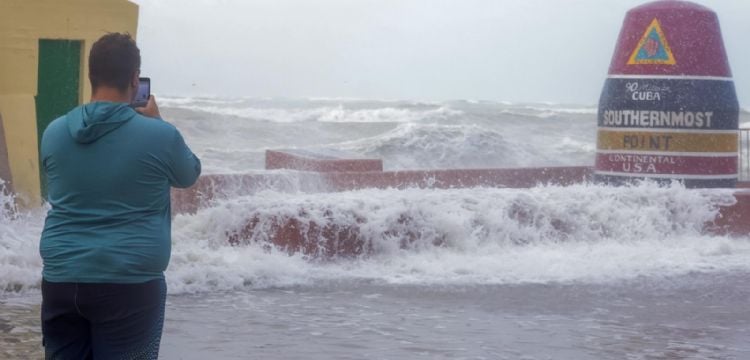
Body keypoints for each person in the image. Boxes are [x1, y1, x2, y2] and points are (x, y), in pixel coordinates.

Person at [39, 33, 201, 359]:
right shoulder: (159, 135)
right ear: (133, 78)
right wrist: (158, 122)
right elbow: (188, 174)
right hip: (130, 284)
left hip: (61, 279)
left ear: (90, 76)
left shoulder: (54, 132)